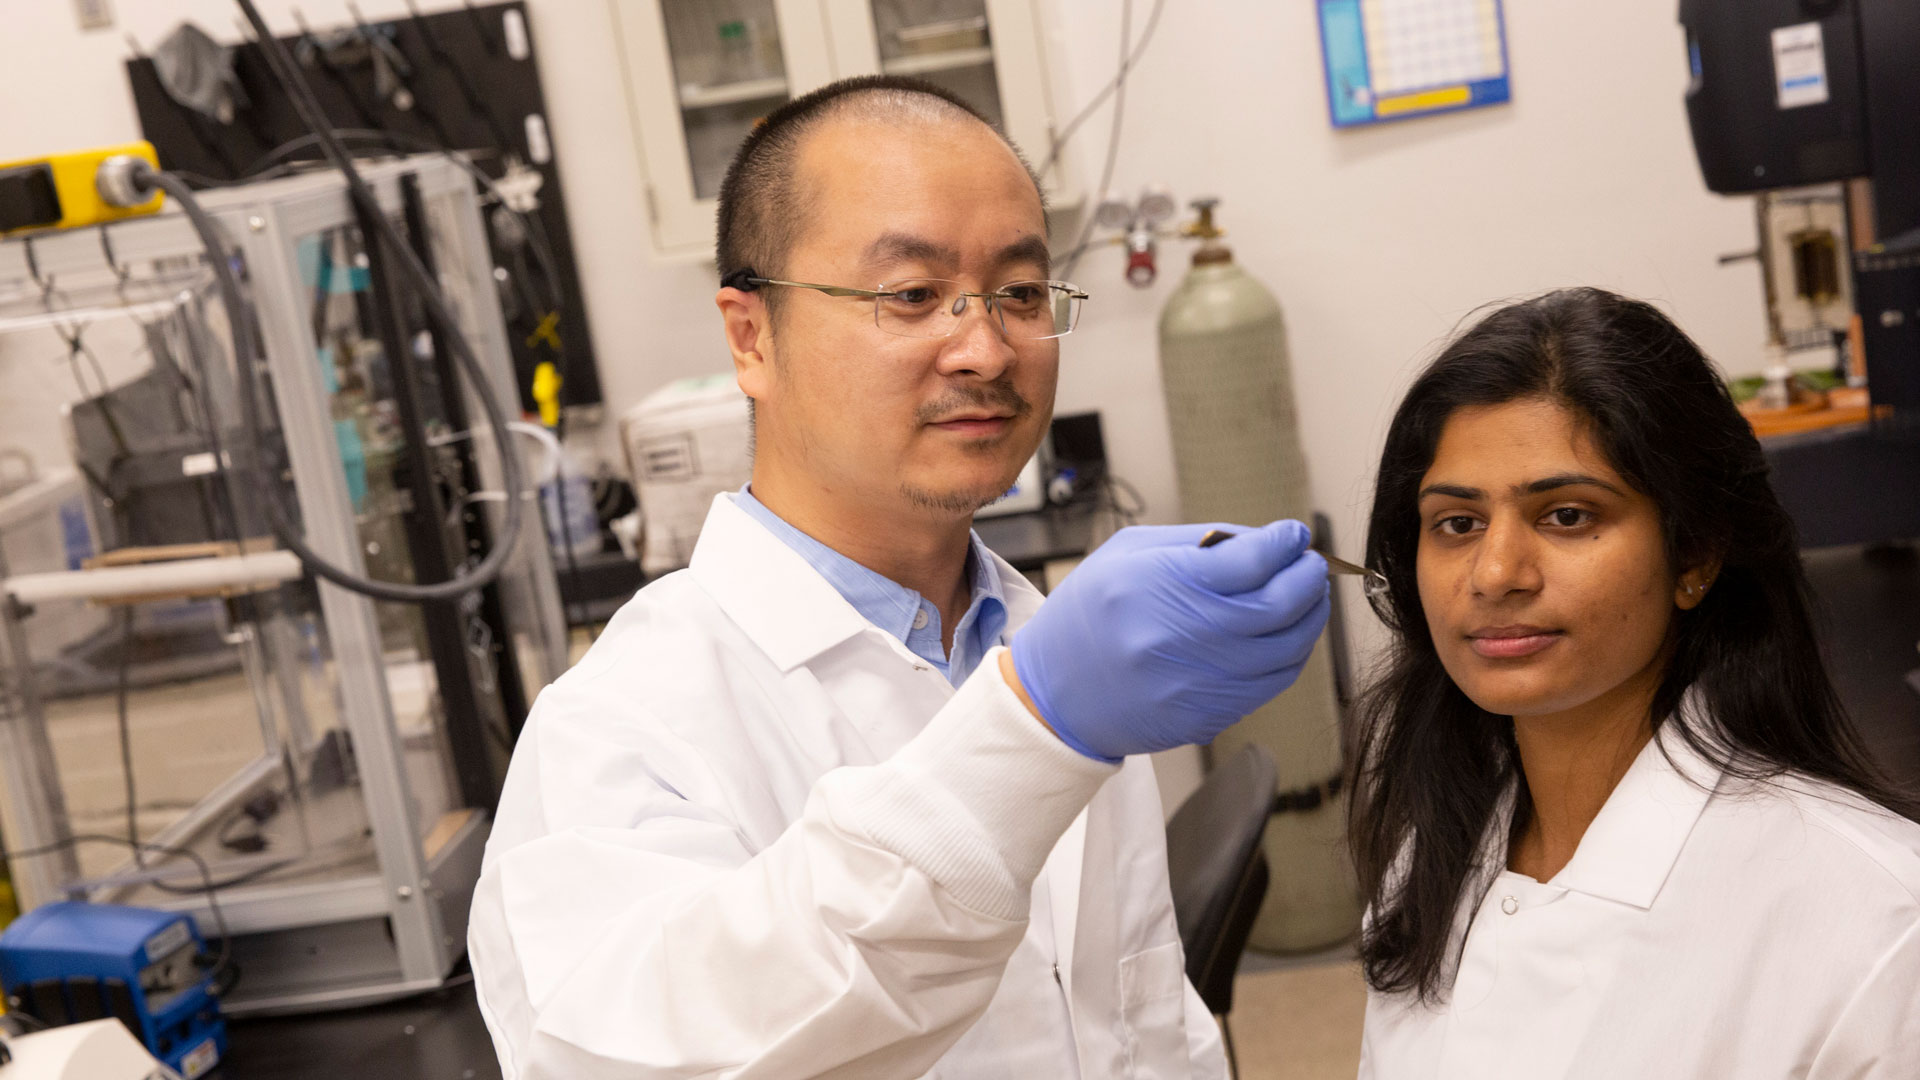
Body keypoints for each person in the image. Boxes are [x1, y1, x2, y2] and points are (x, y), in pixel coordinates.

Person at [467, 75, 1332, 1079]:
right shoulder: (621, 728)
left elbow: (1142, 1021)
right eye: (912, 295)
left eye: (1018, 292)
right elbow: (650, 1055)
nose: (985, 347)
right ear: (751, 336)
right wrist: (1033, 733)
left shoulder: (1039, 638)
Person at [1348, 287, 1920, 1078]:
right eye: (1457, 523)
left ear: (1695, 554)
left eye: (1567, 516)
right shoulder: (1434, 859)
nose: (1495, 572)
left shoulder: (1879, 923)